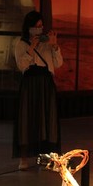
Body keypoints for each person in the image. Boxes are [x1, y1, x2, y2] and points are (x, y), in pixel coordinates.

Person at [12, 10, 63, 170]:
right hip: (30, 84)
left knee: (47, 119)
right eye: (36, 26)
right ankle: (24, 158)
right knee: (27, 118)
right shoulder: (21, 44)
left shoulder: (47, 43)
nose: (39, 30)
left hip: (46, 83)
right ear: (28, 28)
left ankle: (49, 157)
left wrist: (54, 45)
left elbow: (58, 63)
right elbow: (21, 65)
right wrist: (31, 48)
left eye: (41, 26)